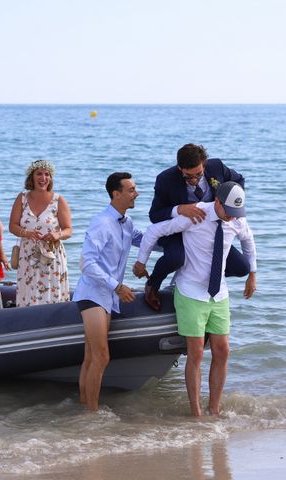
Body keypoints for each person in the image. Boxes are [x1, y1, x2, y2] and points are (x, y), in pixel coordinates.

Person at [134, 181, 257, 417]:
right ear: (218, 202)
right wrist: (141, 261)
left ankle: (215, 408)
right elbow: (154, 231)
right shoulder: (196, 214)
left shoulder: (237, 220)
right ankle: (196, 412)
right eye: (228, 212)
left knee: (223, 351)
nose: (232, 218)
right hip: (190, 292)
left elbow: (248, 241)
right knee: (197, 352)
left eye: (236, 213)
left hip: (219, 293)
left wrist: (252, 274)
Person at [144, 144, 250, 311]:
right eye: (188, 176)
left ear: (204, 164)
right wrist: (179, 209)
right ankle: (152, 285)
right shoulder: (165, 179)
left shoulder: (217, 167)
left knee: (242, 267)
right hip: (178, 230)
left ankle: (197, 277)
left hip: (210, 229)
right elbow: (155, 215)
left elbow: (238, 181)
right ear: (180, 168)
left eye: (198, 175)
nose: (193, 180)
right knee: (176, 258)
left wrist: (230, 203)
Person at [74, 172, 142, 411]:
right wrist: (117, 286)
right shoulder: (101, 223)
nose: (137, 193)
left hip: (107, 297)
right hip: (93, 294)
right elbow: (87, 263)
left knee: (92, 357)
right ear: (117, 194)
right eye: (132, 189)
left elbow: (143, 240)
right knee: (101, 356)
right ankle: (92, 414)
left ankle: (85, 408)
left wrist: (176, 239)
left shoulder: (128, 222)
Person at [9, 160, 71, 306]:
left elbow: (68, 230)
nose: (43, 178)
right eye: (39, 174)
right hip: (28, 254)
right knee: (29, 294)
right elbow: (12, 226)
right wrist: (26, 233)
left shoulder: (58, 200)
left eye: (47, 174)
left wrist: (58, 235)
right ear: (32, 177)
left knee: (52, 294)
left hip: (51, 256)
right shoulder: (22, 198)